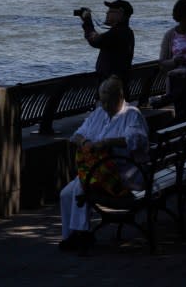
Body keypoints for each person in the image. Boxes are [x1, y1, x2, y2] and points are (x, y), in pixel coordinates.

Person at [59, 75, 149, 252]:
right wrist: (85, 143)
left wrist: (107, 143)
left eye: (109, 102)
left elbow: (136, 139)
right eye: (103, 101)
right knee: (66, 193)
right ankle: (70, 235)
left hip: (125, 174)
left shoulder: (132, 114)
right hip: (100, 172)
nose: (105, 106)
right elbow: (77, 134)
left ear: (120, 97)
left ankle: (82, 234)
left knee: (80, 189)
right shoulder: (99, 113)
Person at [151, 0, 186, 109]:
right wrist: (175, 61)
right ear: (180, 17)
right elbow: (162, 63)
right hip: (177, 81)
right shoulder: (170, 35)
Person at [78, 0, 135, 85]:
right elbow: (99, 38)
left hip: (110, 87)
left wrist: (87, 21)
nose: (107, 13)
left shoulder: (116, 33)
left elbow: (94, 40)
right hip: (120, 84)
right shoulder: (127, 32)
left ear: (120, 13)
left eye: (111, 11)